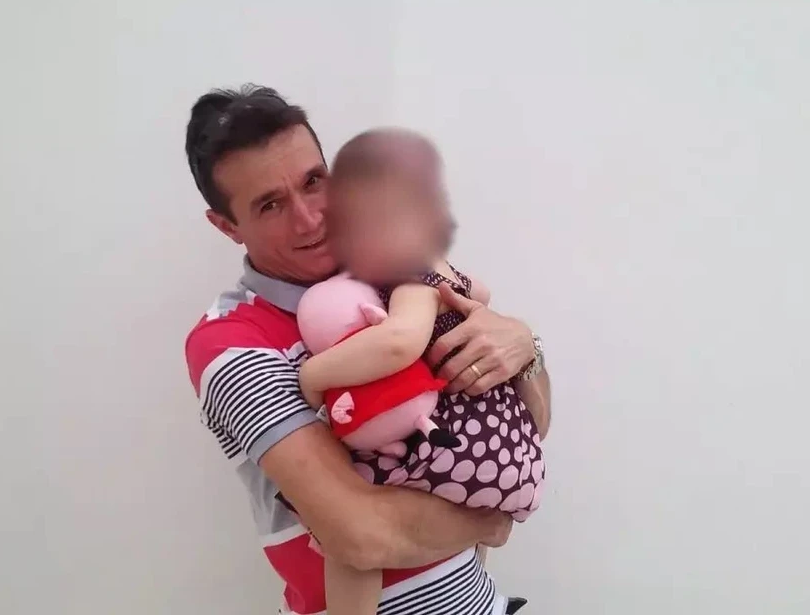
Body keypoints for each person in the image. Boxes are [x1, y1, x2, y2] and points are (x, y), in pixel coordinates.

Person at [183, 84, 551, 615]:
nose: (310, 218)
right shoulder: (232, 342)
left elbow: (531, 426)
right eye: (270, 205)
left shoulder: (389, 268)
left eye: (313, 182)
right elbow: (360, 537)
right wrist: (488, 519)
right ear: (226, 226)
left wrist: (523, 347)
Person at [297, 128, 549, 615]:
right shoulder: (447, 271)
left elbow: (399, 342)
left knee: (345, 530)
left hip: (461, 441)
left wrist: (314, 375)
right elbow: (482, 295)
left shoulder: (412, 279)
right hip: (508, 444)